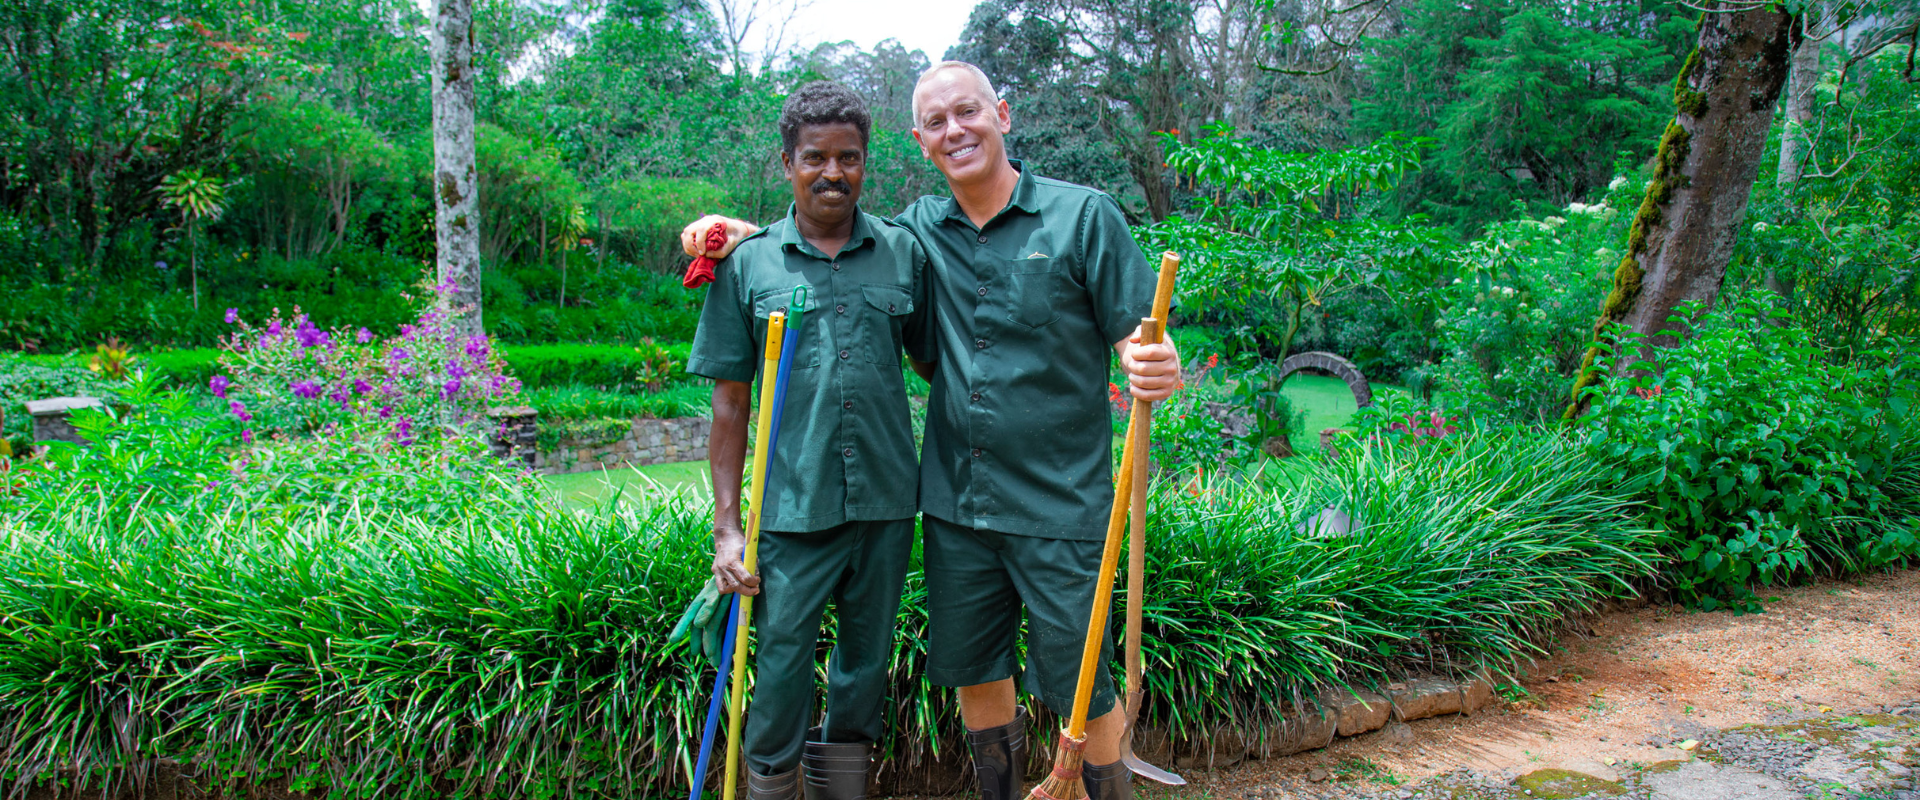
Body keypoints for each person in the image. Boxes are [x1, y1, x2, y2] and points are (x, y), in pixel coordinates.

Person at [682, 62, 1182, 800]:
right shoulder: (917, 232)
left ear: (1002, 114)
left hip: (1059, 504)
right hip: (955, 505)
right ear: (920, 141)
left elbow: (1140, 341)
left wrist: (1157, 363)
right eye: (937, 122)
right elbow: (823, 245)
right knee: (974, 670)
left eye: (968, 112)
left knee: (1085, 685)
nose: (956, 130)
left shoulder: (1075, 217)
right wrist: (743, 237)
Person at [686, 80, 935, 800]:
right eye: (816, 158)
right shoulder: (749, 264)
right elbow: (730, 404)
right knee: (784, 664)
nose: (834, 173)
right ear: (787, 162)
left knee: (865, 666)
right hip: (791, 509)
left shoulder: (902, 253)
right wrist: (727, 528)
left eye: (850, 157)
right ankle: (771, 787)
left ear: (866, 162)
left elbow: (932, 360)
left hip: (886, 502)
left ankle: (843, 791)